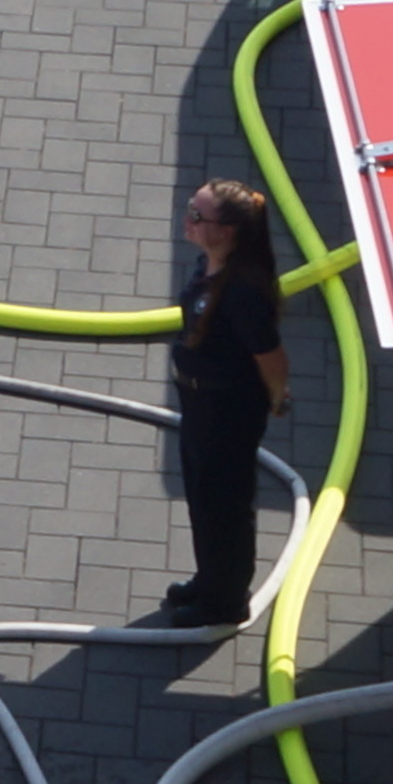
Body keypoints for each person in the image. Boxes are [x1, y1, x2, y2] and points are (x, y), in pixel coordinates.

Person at [161, 181, 289, 628]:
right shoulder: (210, 266)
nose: (188, 220)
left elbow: (270, 356)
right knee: (202, 496)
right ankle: (210, 579)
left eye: (198, 216)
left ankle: (225, 602)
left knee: (224, 508)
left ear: (228, 231)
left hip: (226, 414)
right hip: (201, 405)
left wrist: (276, 397)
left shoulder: (243, 293)